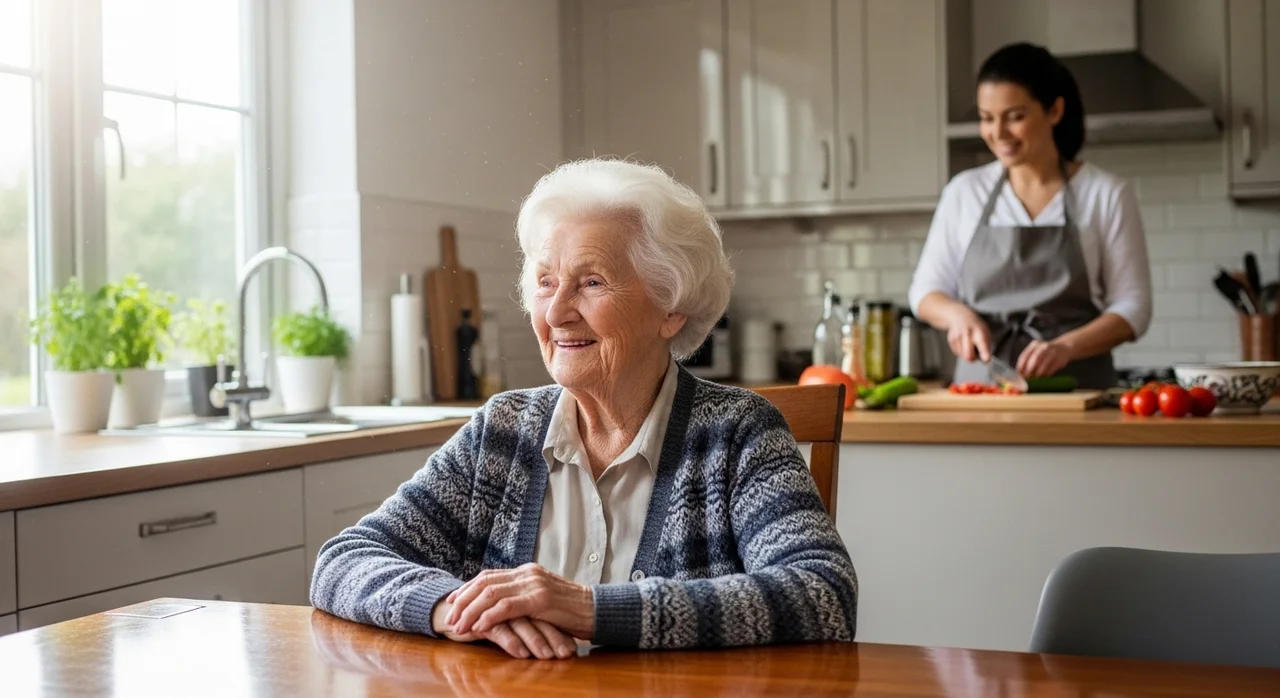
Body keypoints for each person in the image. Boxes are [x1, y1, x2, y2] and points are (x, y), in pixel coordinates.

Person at [310, 158, 858, 659]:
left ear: (671, 308)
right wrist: (455, 609)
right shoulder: (501, 433)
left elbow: (822, 591)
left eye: (591, 282)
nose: (556, 313)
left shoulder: (736, 434)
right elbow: (344, 560)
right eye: (546, 282)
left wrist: (588, 608)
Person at [908, 42, 1153, 389]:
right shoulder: (964, 192)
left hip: (1079, 391)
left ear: (1054, 110)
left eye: (1014, 117)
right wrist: (957, 315)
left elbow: (1134, 307)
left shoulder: (1106, 194)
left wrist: (1067, 347)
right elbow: (925, 291)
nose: (998, 133)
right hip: (982, 391)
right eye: (987, 118)